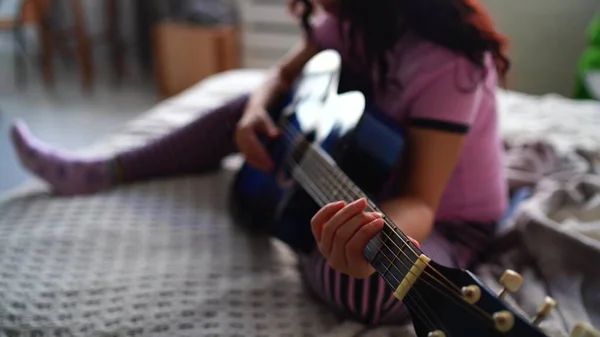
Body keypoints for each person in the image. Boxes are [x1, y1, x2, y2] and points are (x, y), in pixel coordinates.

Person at [10, 0, 510, 326]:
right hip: (362, 170)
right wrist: (254, 111)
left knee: (361, 289)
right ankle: (108, 168)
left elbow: (421, 199)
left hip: (438, 215)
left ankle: (306, 226)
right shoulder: (351, 17)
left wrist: (362, 245)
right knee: (253, 107)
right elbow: (281, 73)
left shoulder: (451, 59)